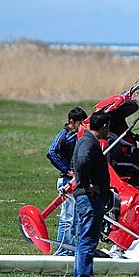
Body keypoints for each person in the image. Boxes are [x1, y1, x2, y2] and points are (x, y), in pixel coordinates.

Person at [71, 111, 111, 277]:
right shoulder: (88, 142)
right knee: (88, 239)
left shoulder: (86, 140)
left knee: (83, 239)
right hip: (89, 198)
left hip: (87, 197)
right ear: (103, 126)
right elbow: (82, 161)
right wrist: (87, 185)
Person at [46, 106, 88, 255]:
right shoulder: (63, 135)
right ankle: (62, 250)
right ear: (72, 121)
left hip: (75, 182)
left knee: (76, 219)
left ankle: (71, 250)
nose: (83, 126)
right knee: (67, 218)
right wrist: (66, 169)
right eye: (80, 123)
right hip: (66, 182)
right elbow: (51, 152)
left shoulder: (77, 135)